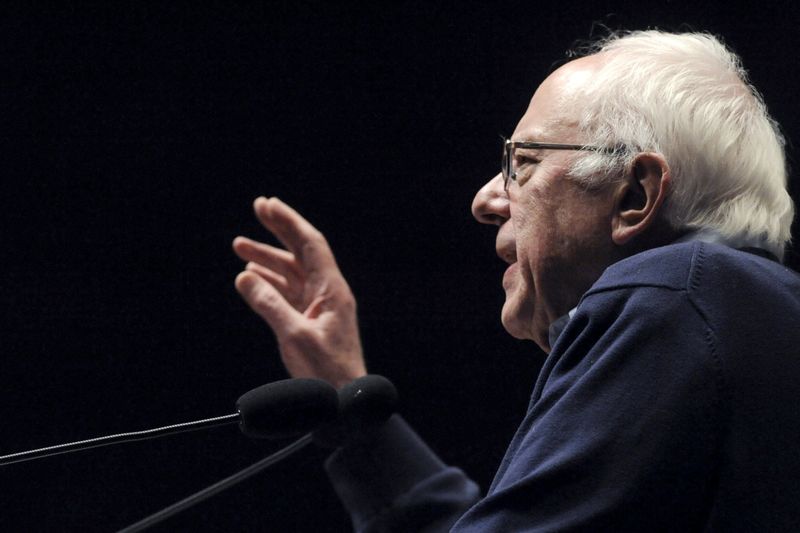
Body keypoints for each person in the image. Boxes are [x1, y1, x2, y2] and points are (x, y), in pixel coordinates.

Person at [232, 30, 800, 531]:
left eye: (521, 162)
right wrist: (347, 398)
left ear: (635, 195)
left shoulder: (671, 293)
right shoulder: (732, 316)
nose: (485, 199)